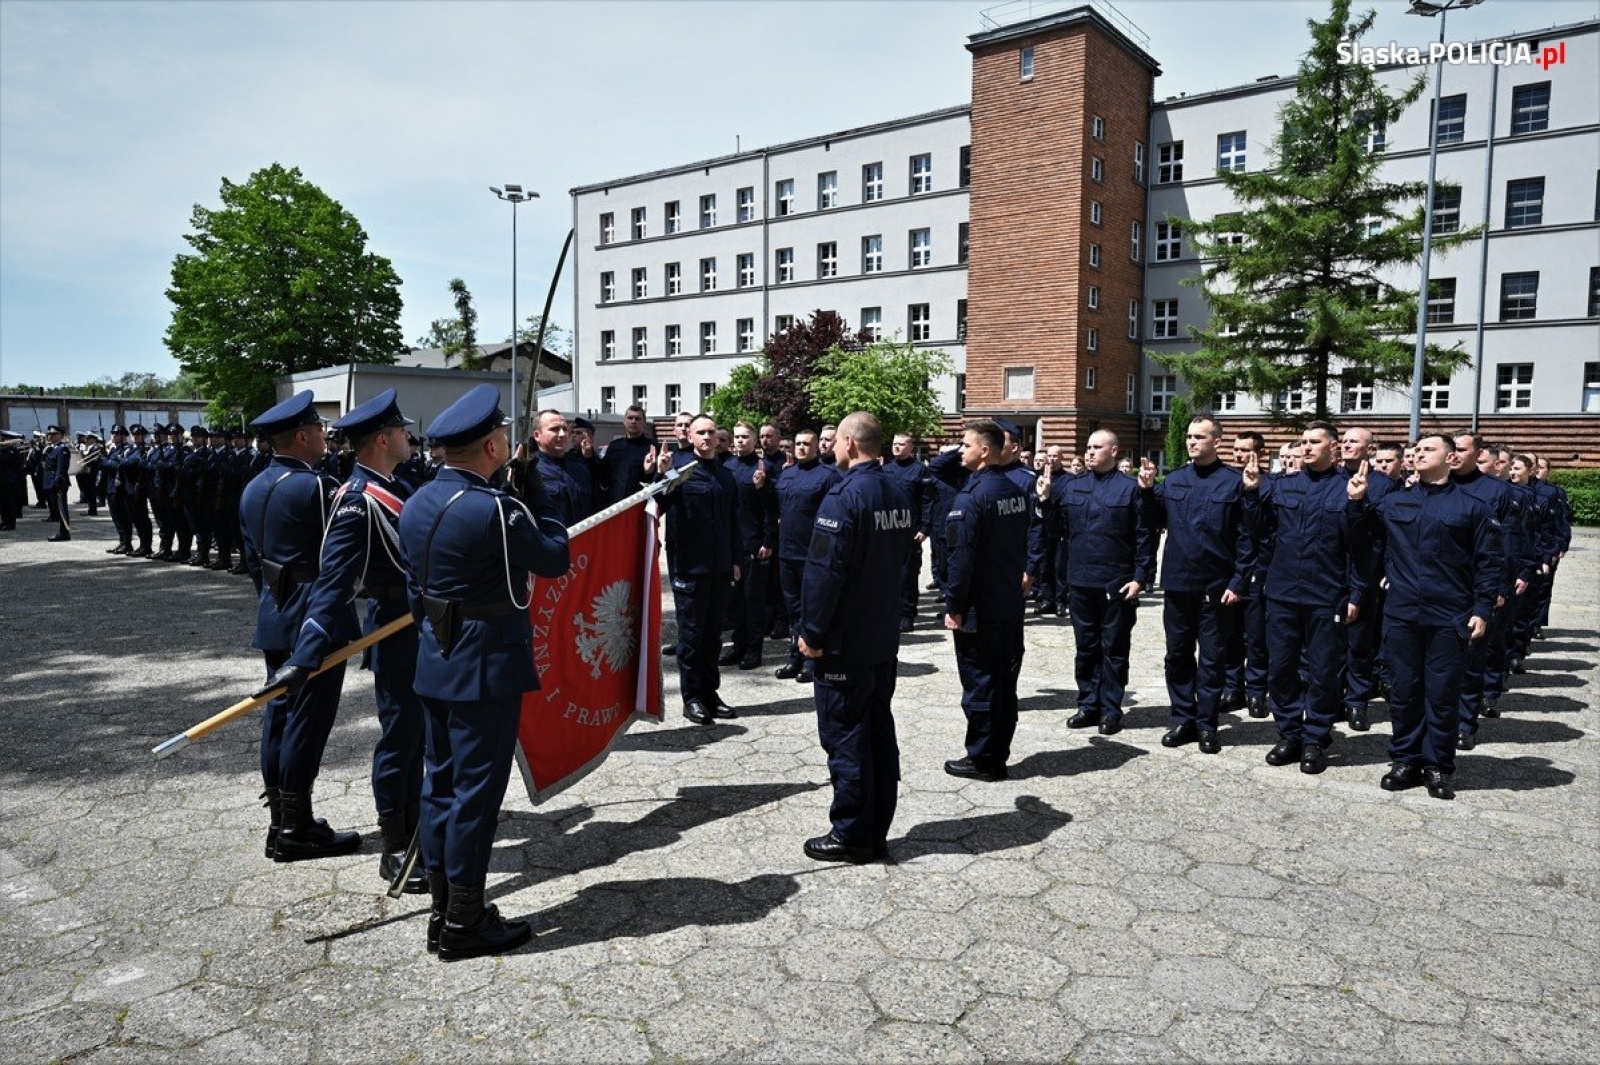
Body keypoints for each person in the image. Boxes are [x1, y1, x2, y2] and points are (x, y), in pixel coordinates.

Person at [398, 383, 570, 959]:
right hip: (485, 663)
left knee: (441, 785)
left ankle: (445, 908)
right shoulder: (497, 509)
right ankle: (464, 923)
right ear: (494, 445)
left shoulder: (419, 499)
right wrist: (537, 493)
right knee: (476, 794)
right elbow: (554, 557)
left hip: (435, 657)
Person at [262, 390, 428, 893]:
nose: (408, 437)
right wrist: (306, 654)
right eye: (402, 430)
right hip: (393, 633)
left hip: (418, 630)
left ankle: (421, 829)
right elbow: (333, 584)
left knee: (419, 737)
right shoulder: (357, 500)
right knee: (400, 739)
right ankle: (396, 847)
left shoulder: (392, 483)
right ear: (383, 438)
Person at [240, 392, 357, 864]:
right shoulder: (316, 488)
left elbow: (252, 561)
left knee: (280, 716)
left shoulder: (252, 487)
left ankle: (281, 821)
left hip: (276, 610)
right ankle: (297, 827)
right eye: (321, 430)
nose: (326, 437)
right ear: (303, 435)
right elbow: (338, 559)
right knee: (307, 721)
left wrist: (274, 602)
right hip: (316, 618)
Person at [1353, 436, 1500, 801]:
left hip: (1449, 614)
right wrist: (1356, 504)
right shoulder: (1393, 501)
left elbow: (1489, 562)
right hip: (1402, 612)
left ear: (1450, 458)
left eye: (1427, 450)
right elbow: (1364, 543)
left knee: (1441, 695)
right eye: (1415, 450)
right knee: (1403, 691)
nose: (1417, 453)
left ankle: (1437, 766)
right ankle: (1405, 759)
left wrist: (1482, 609)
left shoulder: (1473, 507)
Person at [798, 412, 915, 862]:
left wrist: (813, 632)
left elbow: (825, 574)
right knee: (877, 733)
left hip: (845, 643)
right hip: (881, 636)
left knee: (847, 737)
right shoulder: (896, 491)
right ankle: (876, 826)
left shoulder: (844, 497)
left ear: (848, 442)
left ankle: (851, 834)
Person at [1244, 421, 1367, 775]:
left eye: (1315, 442)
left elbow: (1360, 549)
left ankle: (1315, 738)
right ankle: (1289, 733)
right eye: (1304, 442)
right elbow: (1259, 533)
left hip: (1326, 595)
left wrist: (1356, 592)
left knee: (1324, 671)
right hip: (1283, 593)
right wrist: (1252, 494)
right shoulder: (1283, 485)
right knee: (1280, 667)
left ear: (1335, 447)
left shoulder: (1349, 488)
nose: (1307, 447)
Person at [1140, 415, 1254, 753]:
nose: (1192, 442)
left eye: (1199, 437)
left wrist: (1239, 581)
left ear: (1216, 442)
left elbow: (1247, 538)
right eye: (1189, 436)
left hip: (1216, 586)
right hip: (1177, 583)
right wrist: (1146, 492)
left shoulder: (1234, 482)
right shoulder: (1173, 480)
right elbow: (1152, 523)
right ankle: (1182, 719)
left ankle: (1207, 724)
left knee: (1212, 659)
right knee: (1177, 655)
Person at [1040, 430, 1155, 735]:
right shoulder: (1072, 487)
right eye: (1087, 447)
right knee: (1086, 647)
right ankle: (1088, 704)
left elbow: (1145, 536)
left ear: (1114, 451)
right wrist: (1046, 500)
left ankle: (1111, 709)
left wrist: (1140, 578)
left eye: (1096, 447)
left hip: (1116, 582)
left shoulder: (1130, 489)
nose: (1089, 453)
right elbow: (1055, 531)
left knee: (1114, 648)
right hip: (1080, 580)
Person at [942, 419, 1031, 781]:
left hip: (980, 608)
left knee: (980, 684)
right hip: (1008, 601)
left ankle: (983, 759)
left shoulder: (973, 497)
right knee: (1003, 682)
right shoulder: (1013, 490)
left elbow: (960, 559)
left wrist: (954, 606)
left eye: (965, 445)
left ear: (984, 451)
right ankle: (998, 752)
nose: (959, 451)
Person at [655, 414, 741, 724]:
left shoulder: (724, 475)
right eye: (700, 433)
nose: (706, 437)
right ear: (690, 438)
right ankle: (691, 698)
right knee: (691, 639)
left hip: (719, 568)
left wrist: (736, 561)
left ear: (718, 438)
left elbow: (733, 522)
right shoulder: (680, 472)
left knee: (713, 638)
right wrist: (661, 474)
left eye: (711, 433)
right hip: (690, 569)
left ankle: (709, 694)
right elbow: (654, 500)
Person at [1448, 432, 1530, 749]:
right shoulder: (1438, 486)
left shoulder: (1499, 493)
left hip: (1480, 587)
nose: (1453, 454)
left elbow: (1508, 545)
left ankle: (1465, 723)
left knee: (1471, 658)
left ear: (1478, 453)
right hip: (1442, 586)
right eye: (1450, 449)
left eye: (1461, 449)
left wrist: (1500, 586)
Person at [1337, 426, 1395, 732]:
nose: (1346, 445)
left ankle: (1357, 702)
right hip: (1331, 570)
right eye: (1344, 441)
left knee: (1360, 642)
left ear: (1369, 449)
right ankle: (1332, 699)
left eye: (1353, 442)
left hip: (1366, 572)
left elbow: (1385, 535)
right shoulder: (1331, 480)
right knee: (1330, 643)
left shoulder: (1384, 486)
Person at [774, 429, 842, 682]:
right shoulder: (786, 474)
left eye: (807, 444)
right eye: (798, 443)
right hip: (786, 553)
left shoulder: (828, 476)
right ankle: (795, 657)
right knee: (793, 610)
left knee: (812, 609)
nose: (802, 448)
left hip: (812, 555)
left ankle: (813, 661)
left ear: (817, 447)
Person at [721, 421, 778, 670]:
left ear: (755, 441)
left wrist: (767, 541)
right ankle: (738, 645)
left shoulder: (763, 468)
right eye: (737, 437)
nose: (741, 441)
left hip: (754, 545)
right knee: (734, 602)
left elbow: (771, 510)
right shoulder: (727, 467)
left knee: (753, 601)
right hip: (731, 545)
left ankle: (754, 650)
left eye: (745, 437)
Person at [1223, 431, 1271, 717]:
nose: (1238, 455)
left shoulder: (1271, 485)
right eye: (1236, 449)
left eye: (1245, 450)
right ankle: (1233, 688)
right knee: (1230, 634)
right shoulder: (1228, 482)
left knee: (1255, 637)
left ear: (1261, 453)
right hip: (1228, 569)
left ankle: (1256, 691)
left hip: (1259, 570)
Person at [882, 433, 932, 633]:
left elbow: (928, 501)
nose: (896, 447)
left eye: (901, 444)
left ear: (911, 448)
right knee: (887, 575)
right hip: (887, 530)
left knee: (907, 576)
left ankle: (906, 614)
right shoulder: (885, 470)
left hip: (910, 532)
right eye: (894, 444)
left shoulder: (920, 471)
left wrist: (925, 528)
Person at [601, 405, 654, 504]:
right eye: (630, 418)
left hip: (641, 504)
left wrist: (649, 473)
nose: (633, 421)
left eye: (637, 419)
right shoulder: (614, 447)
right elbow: (604, 478)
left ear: (644, 423)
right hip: (616, 506)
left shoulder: (652, 448)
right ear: (624, 421)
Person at [41, 425, 72, 542]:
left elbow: (61, 467)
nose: (50, 436)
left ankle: (64, 532)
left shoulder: (62, 448)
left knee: (61, 508)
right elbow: (45, 465)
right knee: (55, 508)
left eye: (54, 434)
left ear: (61, 435)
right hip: (50, 481)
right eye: (49, 434)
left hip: (58, 482)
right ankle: (62, 531)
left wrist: (57, 481)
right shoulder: (51, 448)